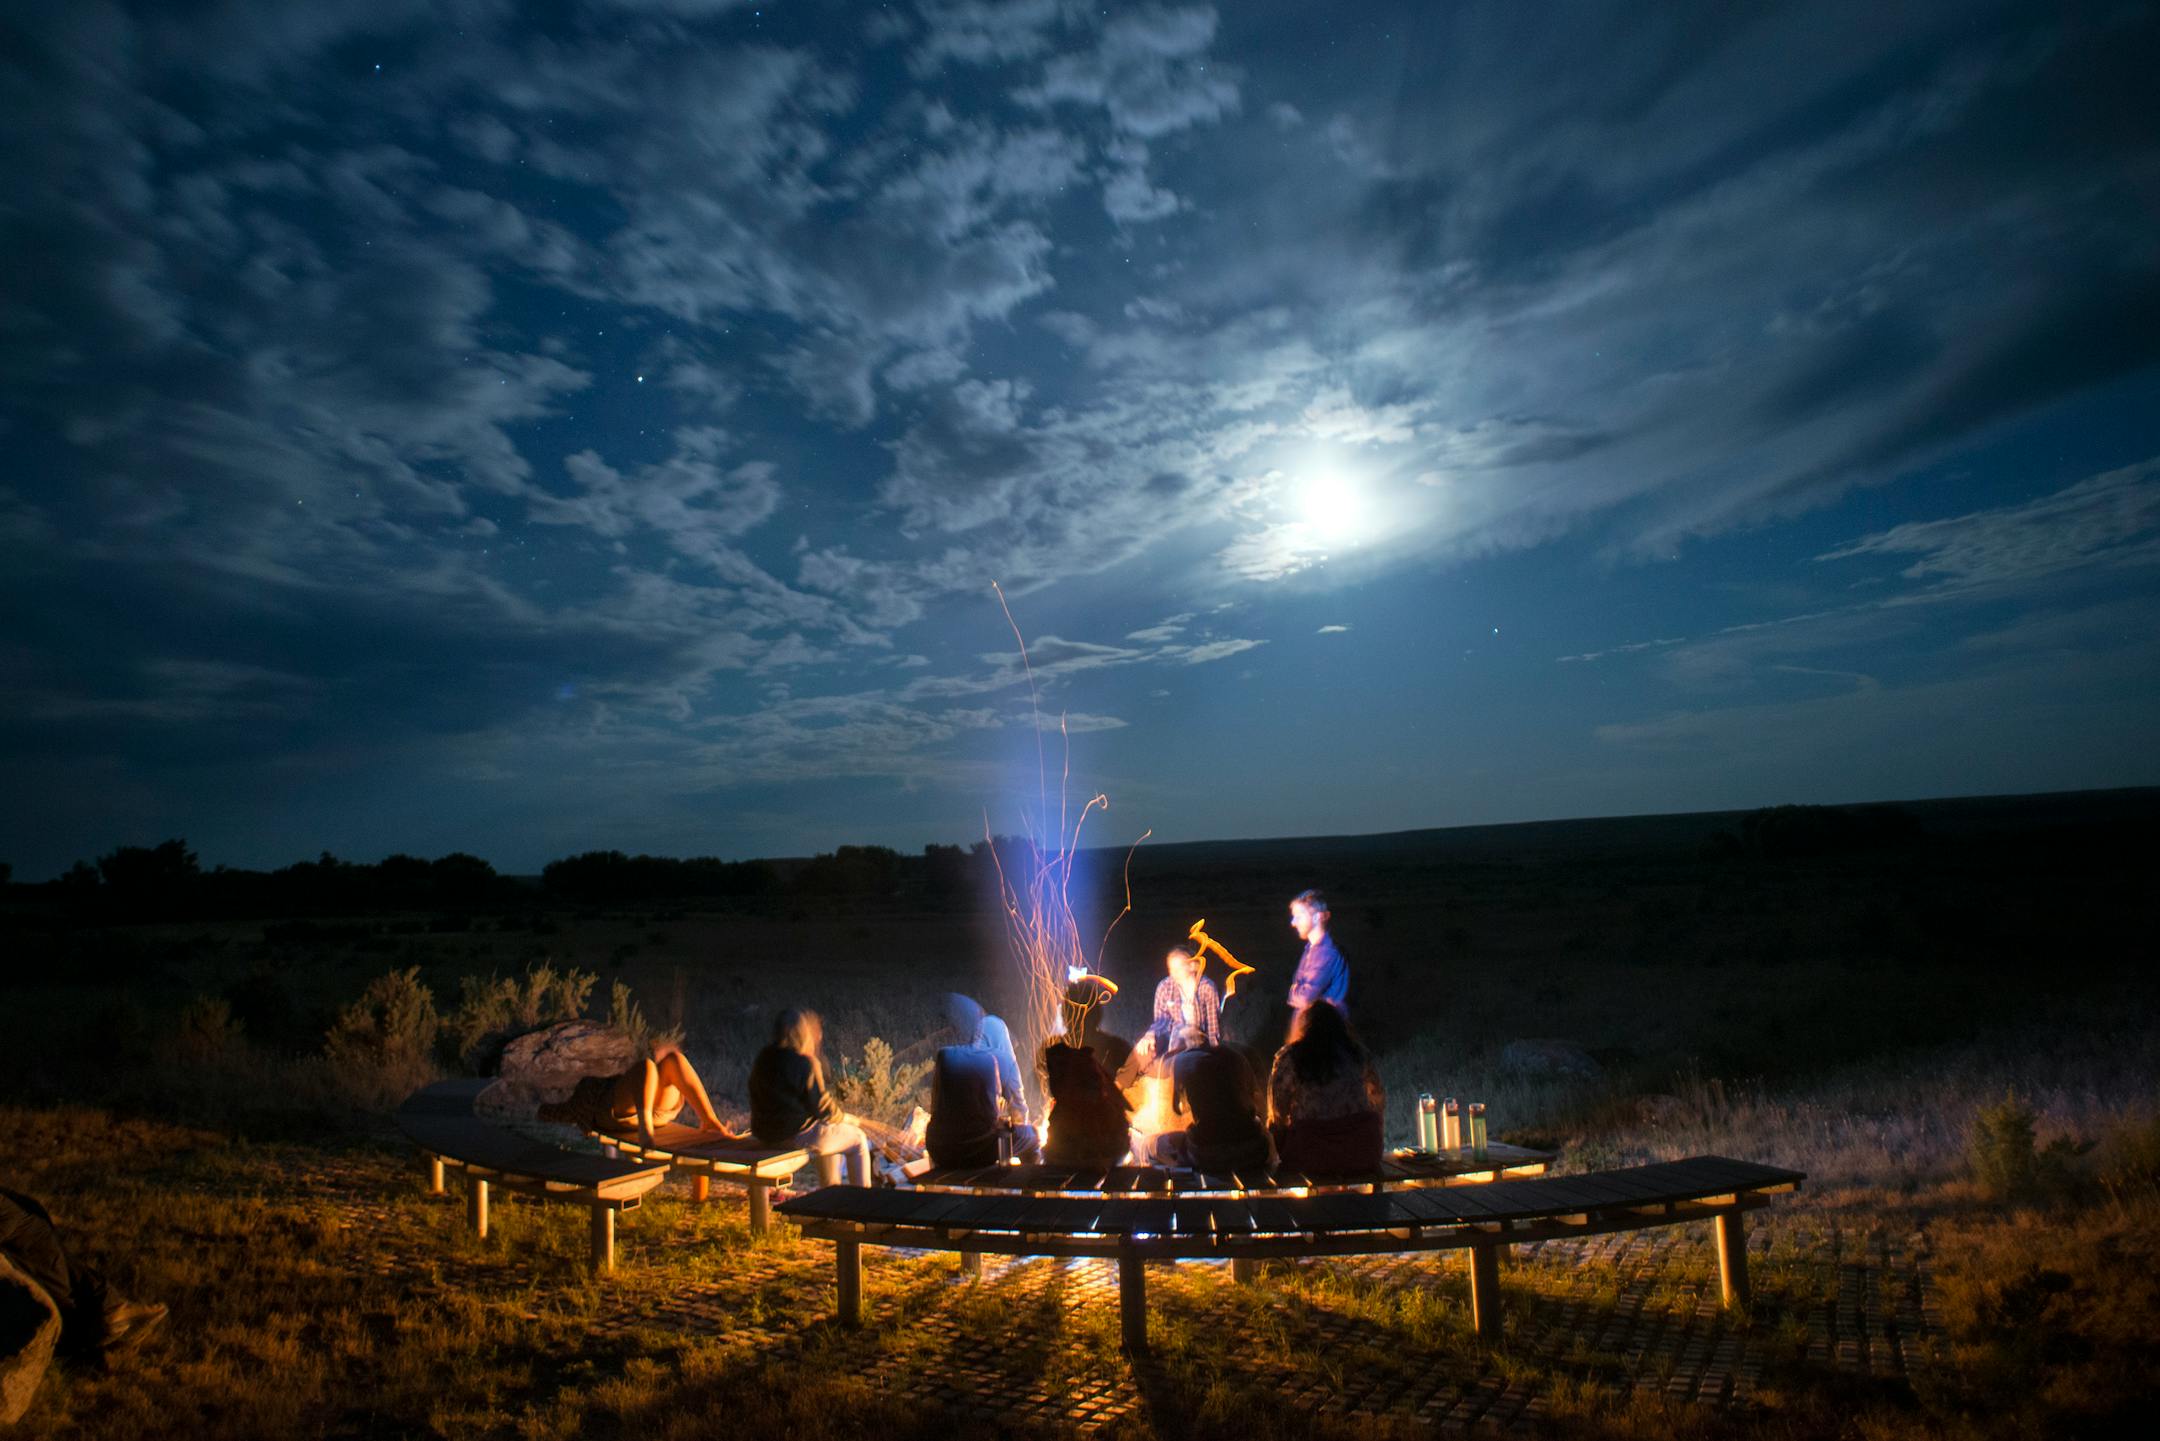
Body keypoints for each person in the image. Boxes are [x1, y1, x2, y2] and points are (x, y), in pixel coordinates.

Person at [1, 1189, 165, 1361]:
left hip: (30, 1238)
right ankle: (111, 1324)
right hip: (31, 1233)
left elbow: (11, 1217)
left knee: (61, 1290)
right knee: (66, 1280)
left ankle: (109, 1323)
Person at [746, 1009, 873, 1186]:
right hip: (794, 1137)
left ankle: (831, 1195)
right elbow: (822, 1109)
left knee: (829, 1132)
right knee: (858, 1139)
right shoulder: (804, 1063)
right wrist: (845, 1118)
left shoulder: (764, 1058)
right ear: (802, 1034)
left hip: (764, 1134)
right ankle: (863, 1205)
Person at [538, 1042, 738, 1150]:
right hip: (615, 1114)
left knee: (675, 1060)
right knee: (647, 1066)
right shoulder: (596, 1087)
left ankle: (710, 1121)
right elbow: (562, 1111)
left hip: (654, 1113)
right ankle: (645, 1131)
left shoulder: (631, 1077)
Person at [1267, 1000, 1386, 1175]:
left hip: (1310, 1154)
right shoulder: (1357, 1053)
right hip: (1361, 1152)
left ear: (1305, 1027)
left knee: (1278, 1129)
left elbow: (1277, 1110)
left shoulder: (1291, 1057)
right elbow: (1378, 1099)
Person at [926, 993, 1041, 1168]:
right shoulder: (1005, 1060)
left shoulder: (948, 1055)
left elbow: (936, 1106)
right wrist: (1018, 1125)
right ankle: (1029, 1185)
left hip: (938, 1148)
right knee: (1032, 1136)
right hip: (978, 1151)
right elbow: (1019, 1109)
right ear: (1003, 1038)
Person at [1150, 1034, 1273, 1173]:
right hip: (1253, 1149)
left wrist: (1149, 1145)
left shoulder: (1195, 1151)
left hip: (1202, 1152)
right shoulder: (1262, 1145)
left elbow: (1158, 1147)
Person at [1116, 945, 1222, 1089]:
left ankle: (1164, 1069)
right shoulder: (1165, 987)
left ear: (1192, 965)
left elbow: (1213, 1026)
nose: (1173, 973)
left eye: (1178, 968)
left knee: (1182, 1058)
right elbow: (1162, 1020)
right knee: (1143, 1048)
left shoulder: (1207, 988)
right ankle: (1117, 1087)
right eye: (1171, 968)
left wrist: (1214, 1053)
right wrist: (1150, 1034)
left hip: (1197, 1039)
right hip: (1172, 1036)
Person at [1040, 1037, 1131, 1169]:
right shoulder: (1091, 1069)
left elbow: (1057, 1143)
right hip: (1110, 1155)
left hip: (1081, 1158)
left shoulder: (1069, 1082)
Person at [1287, 888, 1349, 1015]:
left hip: (1324, 1030)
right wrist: (1297, 989)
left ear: (1317, 917)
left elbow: (1304, 999)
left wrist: (1295, 989)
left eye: (1299, 917)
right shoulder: (1311, 949)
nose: (1293, 923)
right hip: (1316, 1028)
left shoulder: (1326, 953)